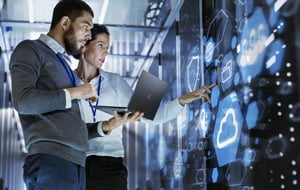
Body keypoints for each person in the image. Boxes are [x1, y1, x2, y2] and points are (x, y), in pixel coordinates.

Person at [74, 24, 215, 190]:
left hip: (110, 166)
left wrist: (182, 100)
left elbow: (153, 116)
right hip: (76, 164)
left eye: (107, 47)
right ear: (84, 45)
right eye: (100, 46)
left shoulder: (115, 82)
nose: (106, 52)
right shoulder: (67, 83)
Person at [9, 0, 97, 189]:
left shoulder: (65, 66)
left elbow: (69, 124)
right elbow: (23, 101)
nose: (89, 35)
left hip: (77, 165)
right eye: (85, 26)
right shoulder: (30, 49)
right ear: (65, 23)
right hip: (52, 161)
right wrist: (75, 93)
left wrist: (105, 127)